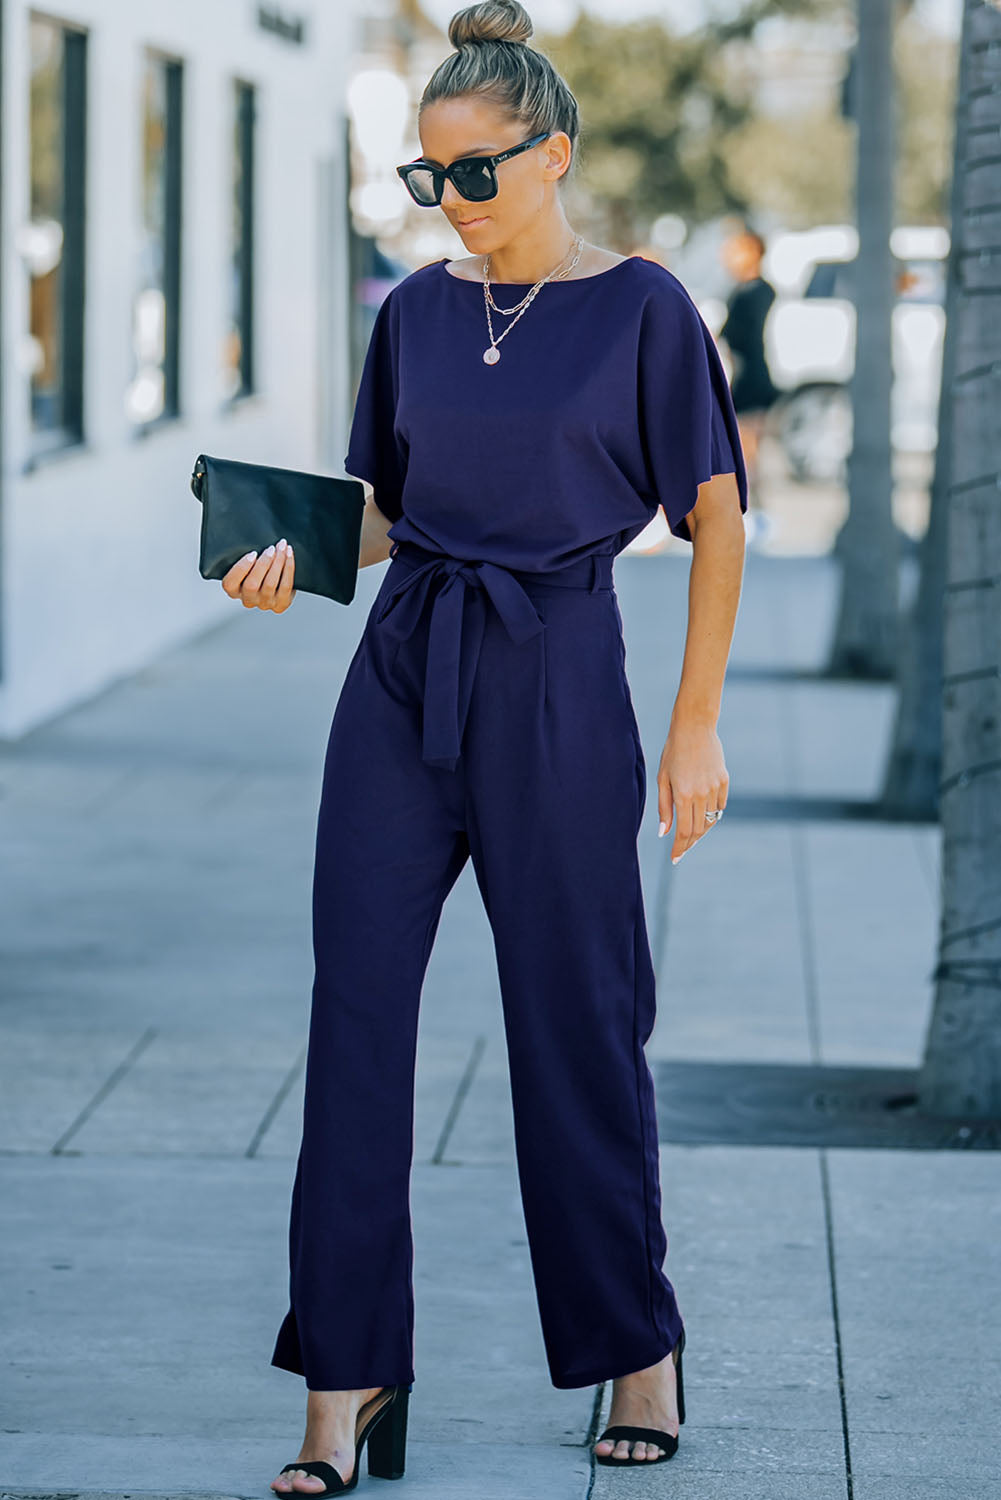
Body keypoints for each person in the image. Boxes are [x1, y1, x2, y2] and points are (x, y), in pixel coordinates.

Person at [220, 3, 747, 1493]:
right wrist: (287, 555)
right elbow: (387, 508)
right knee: (355, 1023)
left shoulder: (643, 307)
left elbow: (716, 516)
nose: (450, 204)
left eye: (476, 174)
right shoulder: (417, 315)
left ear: (553, 154)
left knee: (576, 1025)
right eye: (425, 179)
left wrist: (693, 724)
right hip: (403, 681)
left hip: (561, 674)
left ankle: (634, 1351)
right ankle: (348, 1376)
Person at [719, 226, 779, 543]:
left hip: (750, 378)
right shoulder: (752, 290)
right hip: (747, 376)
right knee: (746, 452)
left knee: (747, 454)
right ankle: (756, 514)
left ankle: (756, 515)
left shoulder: (753, 292)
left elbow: (737, 336)